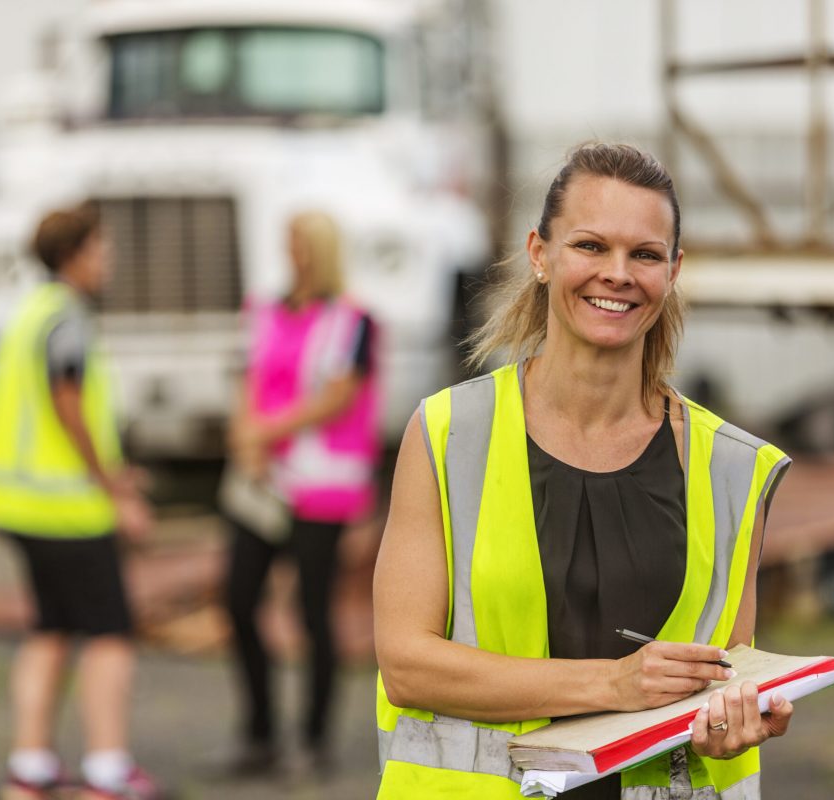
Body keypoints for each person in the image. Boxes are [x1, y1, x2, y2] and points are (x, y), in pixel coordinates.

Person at [373, 143, 795, 799]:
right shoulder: (447, 434)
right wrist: (613, 684)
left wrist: (731, 722)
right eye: (591, 246)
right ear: (541, 254)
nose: (618, 274)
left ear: (674, 270)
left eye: (645, 254)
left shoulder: (734, 469)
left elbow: (721, 678)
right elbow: (406, 664)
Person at [0, 204, 161, 800]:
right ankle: (107, 769)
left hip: (15, 503)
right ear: (75, 253)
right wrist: (115, 486)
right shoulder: (69, 318)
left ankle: (31, 766)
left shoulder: (30, 312)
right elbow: (67, 399)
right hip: (65, 511)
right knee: (109, 633)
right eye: (102, 248)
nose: (110, 259)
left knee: (51, 627)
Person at [220, 210, 379, 775]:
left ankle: (314, 741)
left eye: (301, 243)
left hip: (321, 488)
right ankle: (260, 733)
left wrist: (267, 430)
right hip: (262, 483)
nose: (293, 254)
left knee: (314, 612)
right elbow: (247, 377)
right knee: (239, 599)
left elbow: (338, 395)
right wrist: (246, 440)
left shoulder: (352, 320)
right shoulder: (263, 310)